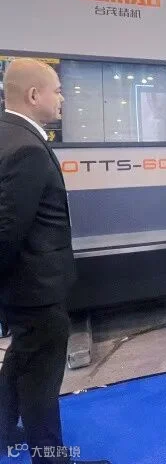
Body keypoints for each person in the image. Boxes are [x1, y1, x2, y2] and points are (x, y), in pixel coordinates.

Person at [0, 59, 110, 464]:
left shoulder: (9, 134)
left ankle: (3, 429)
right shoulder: (26, 148)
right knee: (41, 384)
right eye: (58, 90)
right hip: (36, 292)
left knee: (20, 360)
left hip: (23, 291)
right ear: (34, 95)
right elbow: (7, 230)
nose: (63, 98)